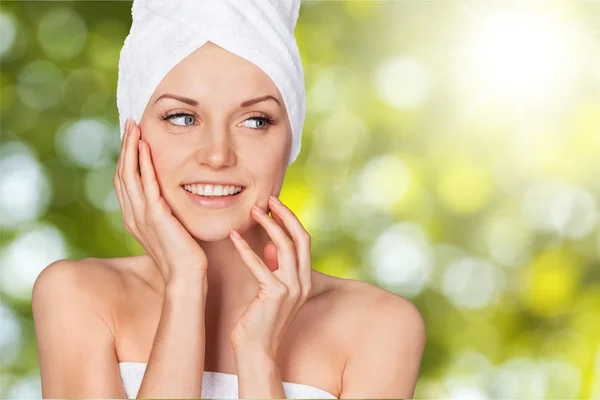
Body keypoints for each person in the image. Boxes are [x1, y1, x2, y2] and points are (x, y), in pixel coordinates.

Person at [31, 1, 426, 398]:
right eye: (183, 118)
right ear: (132, 136)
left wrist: (257, 356)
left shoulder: (378, 327)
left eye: (256, 121)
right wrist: (185, 284)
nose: (218, 155)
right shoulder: (78, 296)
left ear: (291, 139)